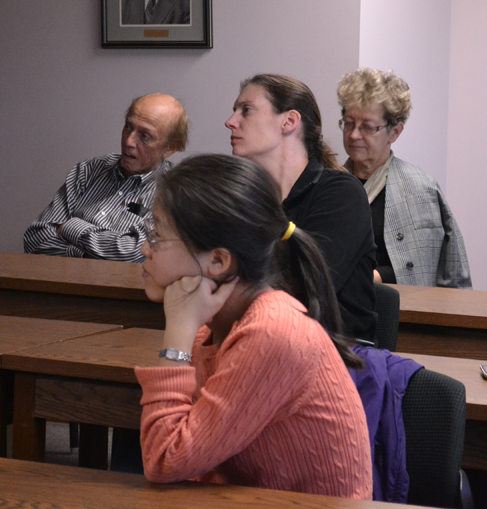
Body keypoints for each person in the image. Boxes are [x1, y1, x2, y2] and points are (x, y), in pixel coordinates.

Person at [135, 154, 372, 498]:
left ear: (217, 260)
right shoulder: (215, 327)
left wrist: (178, 333)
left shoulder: (271, 331)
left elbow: (165, 459)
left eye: (157, 235)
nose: (145, 248)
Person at [225, 74, 377, 343]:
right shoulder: (245, 197)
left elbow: (305, 289)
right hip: (258, 341)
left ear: (289, 121)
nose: (231, 122)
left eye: (246, 110)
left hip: (331, 358)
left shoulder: (341, 194)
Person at [336, 68, 471, 288]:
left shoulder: (420, 189)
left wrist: (373, 278)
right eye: (349, 123)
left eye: (367, 127)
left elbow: (426, 268)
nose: (354, 135)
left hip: (400, 313)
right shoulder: (327, 184)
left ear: (395, 132)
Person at [23, 93, 187, 262]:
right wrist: (85, 256)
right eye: (128, 127)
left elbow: (135, 253)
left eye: (144, 136)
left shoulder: (174, 191)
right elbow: (35, 238)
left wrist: (68, 227)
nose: (129, 142)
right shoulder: (88, 171)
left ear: (170, 148)